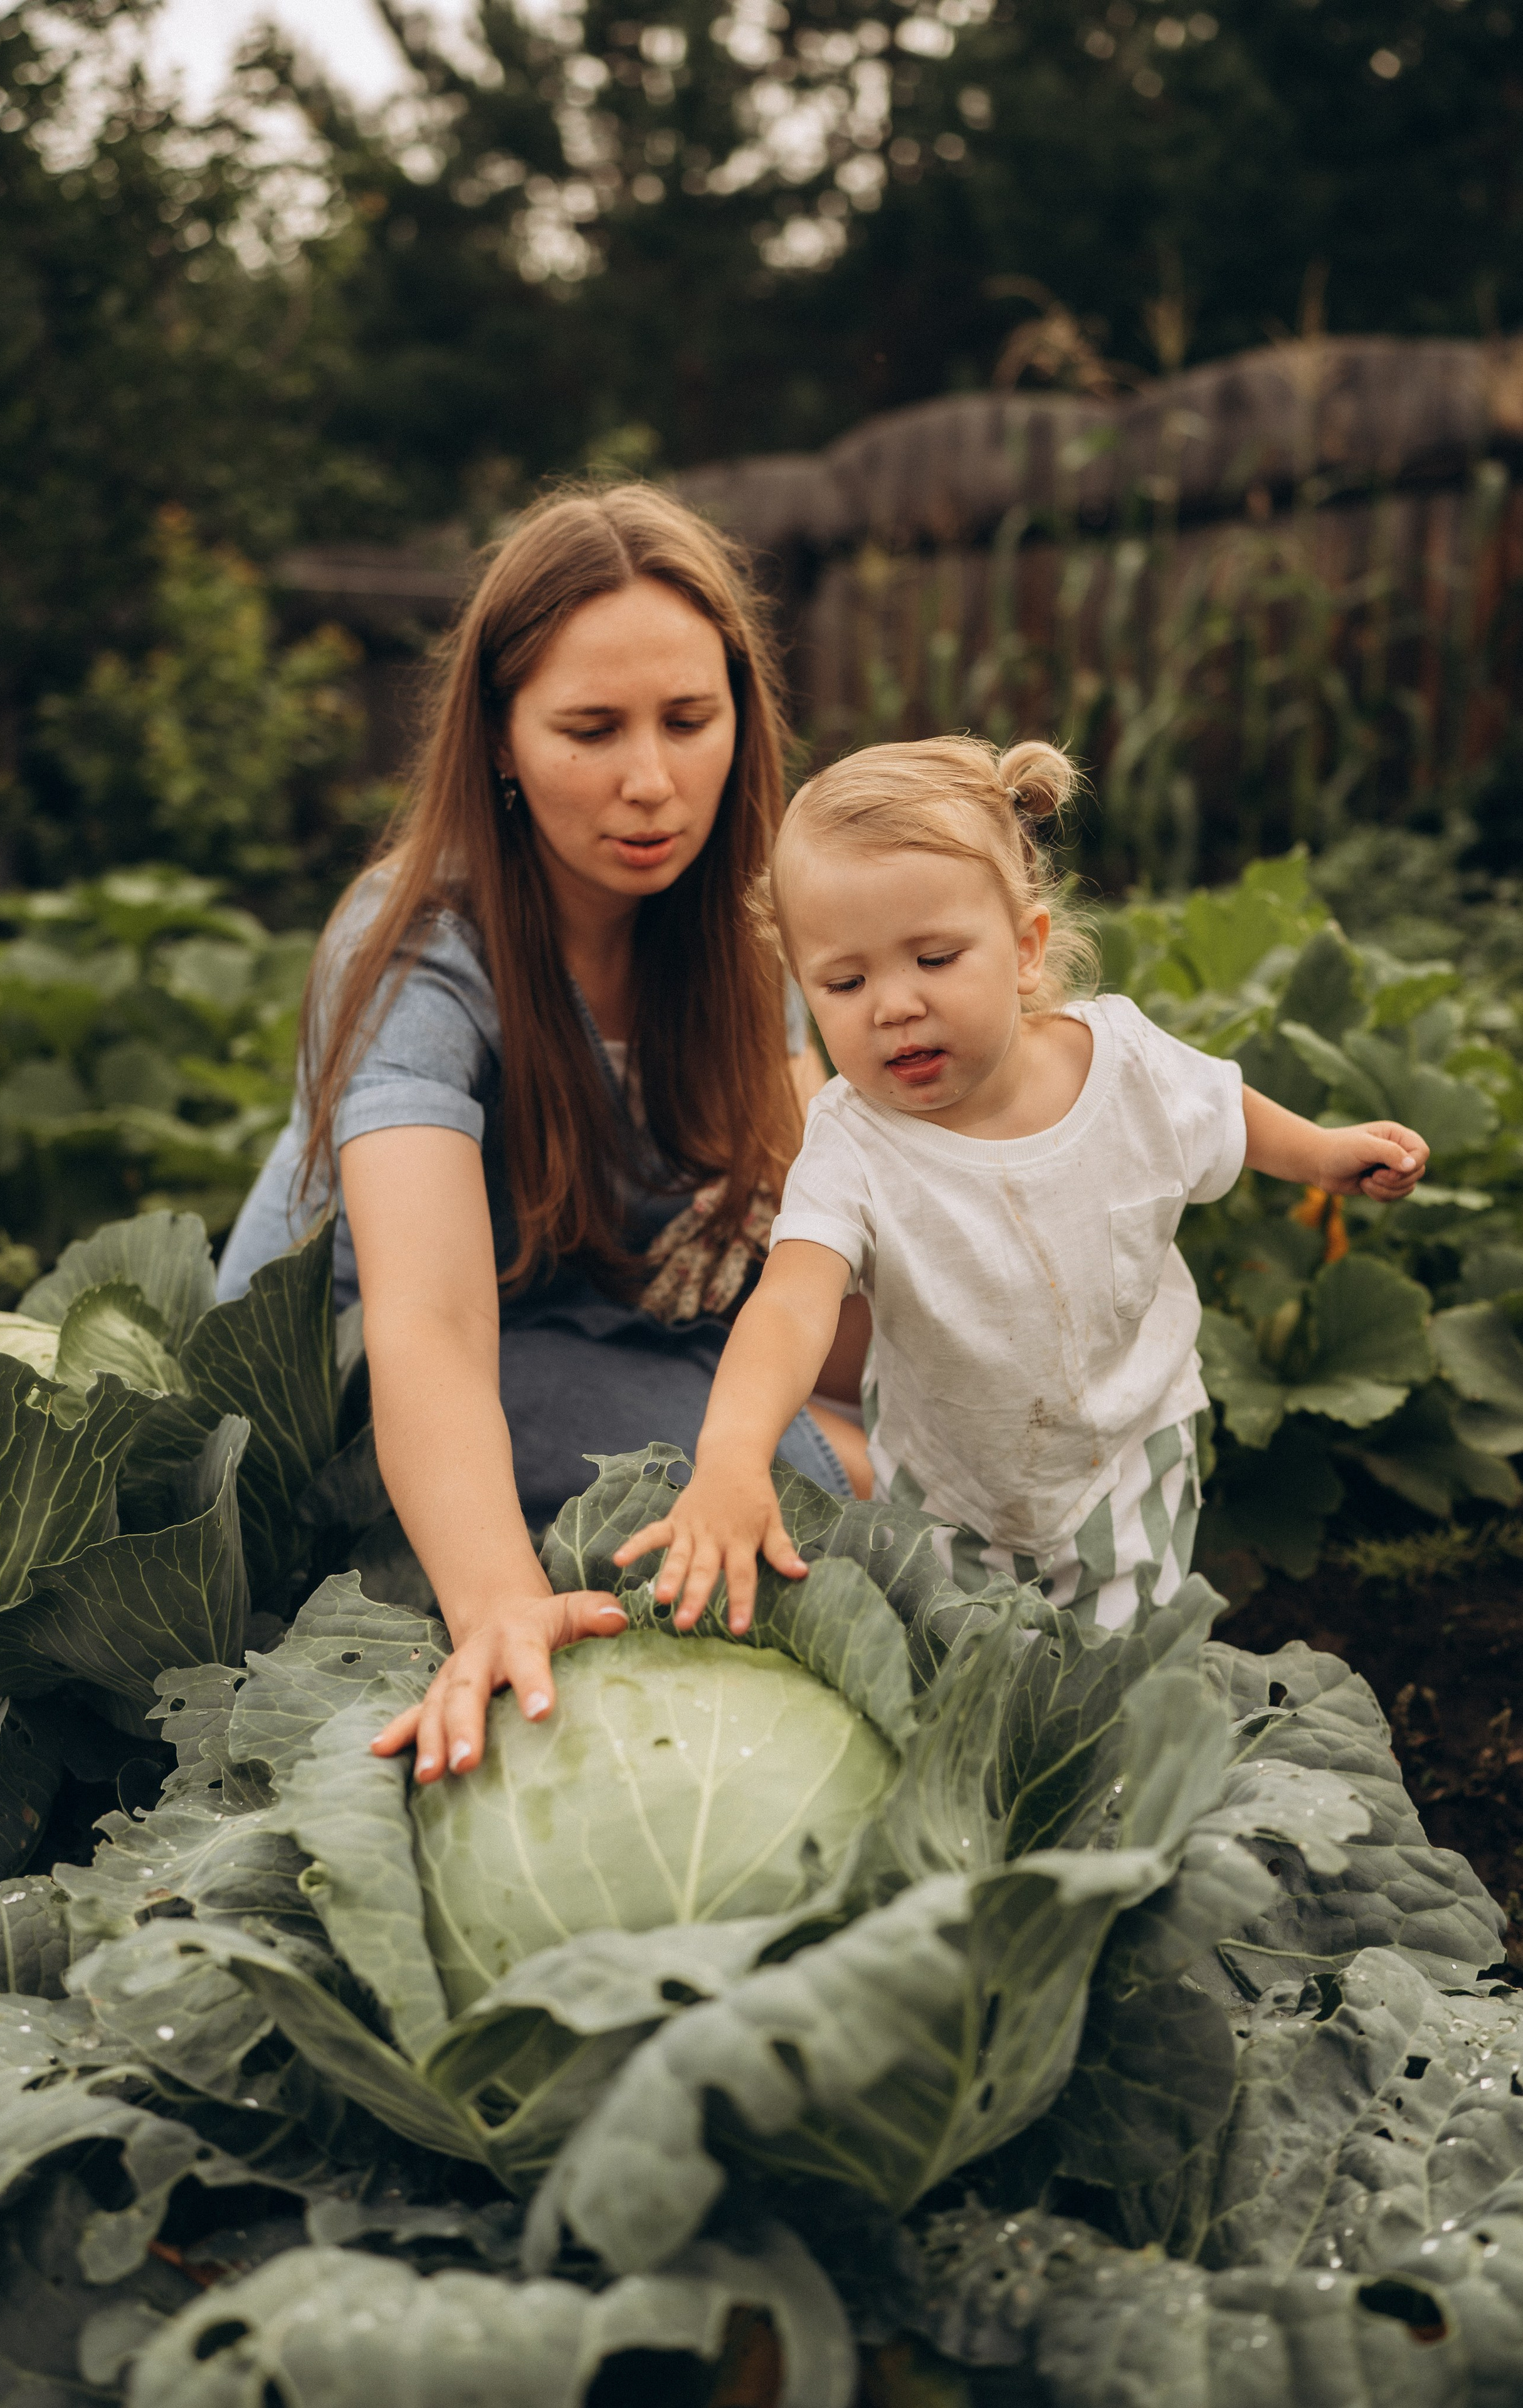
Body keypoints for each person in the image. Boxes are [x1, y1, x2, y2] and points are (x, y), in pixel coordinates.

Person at [216, 485, 873, 1781]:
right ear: (502, 740)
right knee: (822, 1487)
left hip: (587, 1318)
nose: (650, 781)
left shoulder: (744, 927)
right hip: (351, 1378)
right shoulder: (415, 947)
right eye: (590, 728)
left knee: (883, 1451)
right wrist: (499, 1607)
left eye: (689, 721)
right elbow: (427, 1323)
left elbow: (792, 1232)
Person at [614, 734, 1431, 1632]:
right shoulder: (853, 1140)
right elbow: (790, 1304)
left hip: (1128, 1454)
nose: (892, 1005)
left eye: (933, 959)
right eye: (844, 982)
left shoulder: (1119, 1065)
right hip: (943, 1488)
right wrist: (733, 1451)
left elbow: (1222, 1109)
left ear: (1026, 949)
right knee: (965, 1672)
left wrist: (1321, 1152)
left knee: (1117, 1673)